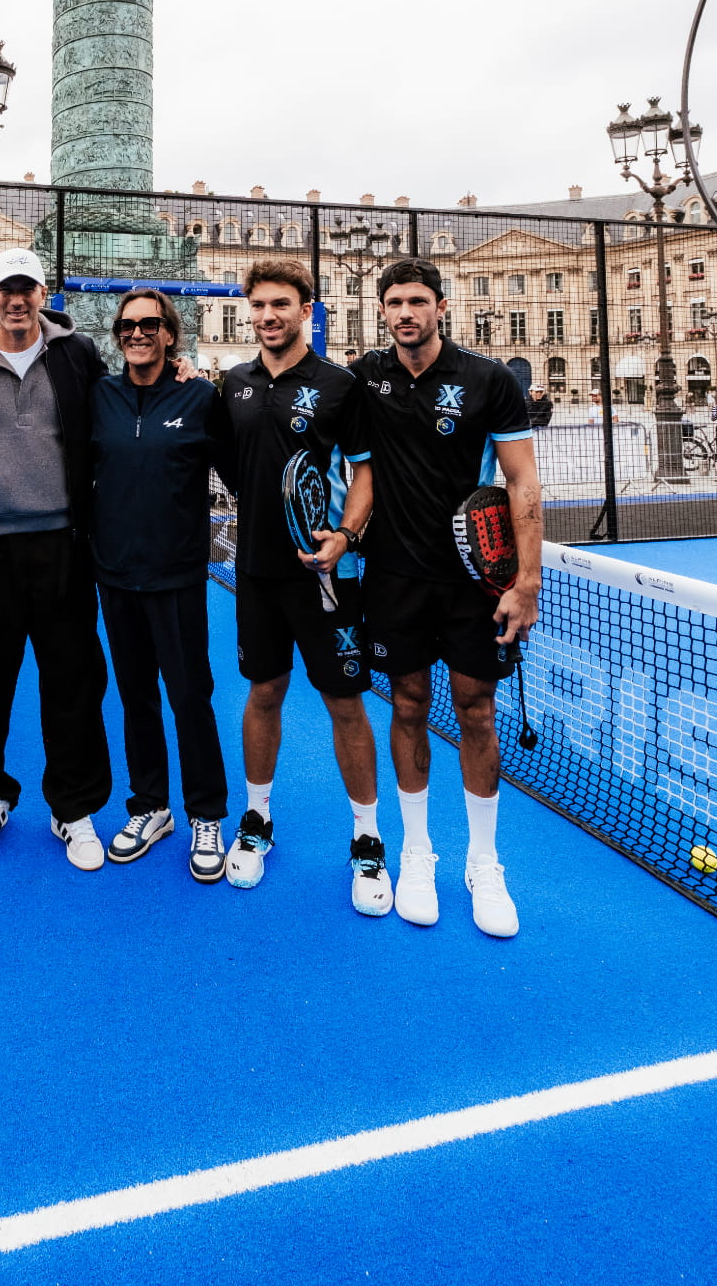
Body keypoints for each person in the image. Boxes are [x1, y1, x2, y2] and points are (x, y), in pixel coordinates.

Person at [351, 259, 541, 939]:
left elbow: (522, 485)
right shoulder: (365, 378)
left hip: (475, 584)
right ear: (383, 311)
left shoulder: (487, 380)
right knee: (406, 704)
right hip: (395, 578)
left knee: (477, 711)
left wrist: (527, 582)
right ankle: (415, 851)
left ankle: (483, 862)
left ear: (442, 305)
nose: (406, 313)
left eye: (417, 301)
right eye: (394, 302)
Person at [219, 257, 390, 914]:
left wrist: (344, 534)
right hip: (256, 575)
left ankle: (367, 838)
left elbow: (367, 473)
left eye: (280, 305)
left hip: (329, 578)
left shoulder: (341, 386)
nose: (267, 316)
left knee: (345, 704)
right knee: (263, 694)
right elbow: (228, 463)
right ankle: (257, 819)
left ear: (306, 310)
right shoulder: (232, 384)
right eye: (258, 305)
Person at [0, 247, 112, 872]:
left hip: (64, 543)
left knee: (73, 678)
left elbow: (110, 416)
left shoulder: (78, 354)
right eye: (7, 290)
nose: (17, 300)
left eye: (28, 289)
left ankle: (74, 807)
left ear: (44, 294)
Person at [90, 289, 231, 882]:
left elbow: (240, 471)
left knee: (189, 695)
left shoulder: (200, 396)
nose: (137, 332)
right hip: (116, 575)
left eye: (149, 324)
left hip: (177, 576)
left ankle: (206, 814)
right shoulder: (99, 395)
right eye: (127, 325)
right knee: (135, 697)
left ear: (170, 334)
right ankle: (151, 806)